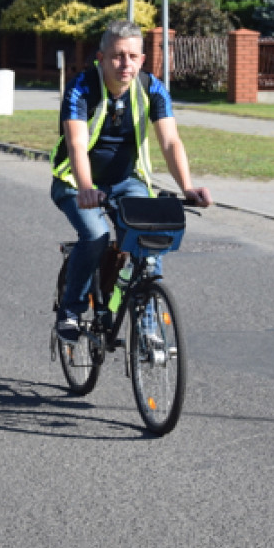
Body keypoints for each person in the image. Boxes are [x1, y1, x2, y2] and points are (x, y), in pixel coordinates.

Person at [51, 19, 212, 344]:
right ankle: (70, 309)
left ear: (142, 59)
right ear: (101, 57)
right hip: (75, 182)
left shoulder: (152, 88)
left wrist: (188, 188)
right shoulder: (82, 87)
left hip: (127, 182)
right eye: (117, 56)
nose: (125, 64)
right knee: (95, 235)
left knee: (150, 239)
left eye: (133, 56)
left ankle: (147, 323)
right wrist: (85, 188)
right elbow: (77, 144)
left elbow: (170, 142)